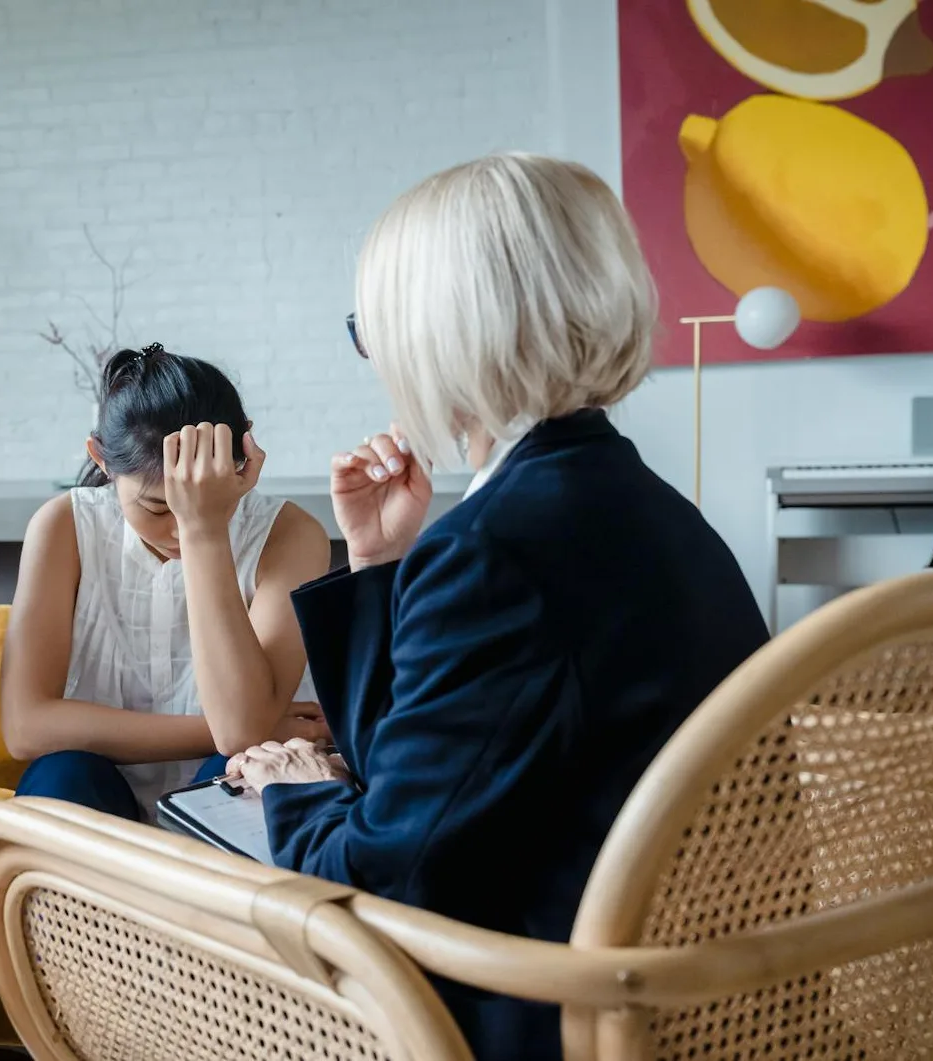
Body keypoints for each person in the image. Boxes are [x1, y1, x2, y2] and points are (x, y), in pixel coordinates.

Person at [226, 154, 770, 1060]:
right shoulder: (655, 511)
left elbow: (376, 880)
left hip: (546, 1013)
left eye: (374, 330)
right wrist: (378, 564)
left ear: (438, 336)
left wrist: (290, 789)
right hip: (700, 1008)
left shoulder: (496, 550)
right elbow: (433, 786)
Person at [1, 344, 332, 821]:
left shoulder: (291, 535)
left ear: (243, 458)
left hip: (231, 781)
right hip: (97, 792)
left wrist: (207, 532)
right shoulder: (63, 527)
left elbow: (238, 735)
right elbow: (24, 727)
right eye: (158, 507)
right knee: (59, 774)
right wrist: (233, 726)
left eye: (198, 502)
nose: (179, 526)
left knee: (244, 768)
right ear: (102, 459)